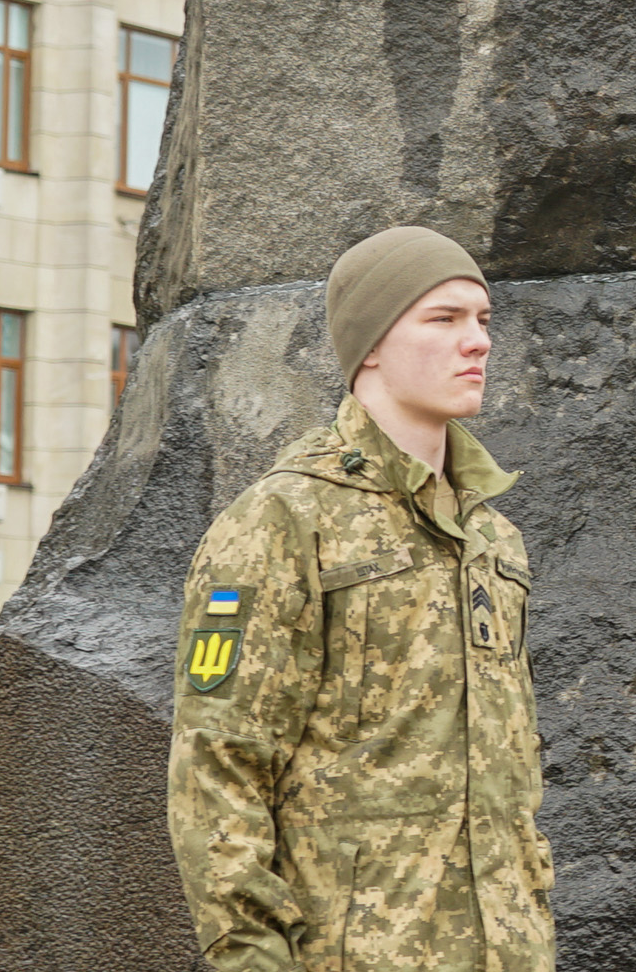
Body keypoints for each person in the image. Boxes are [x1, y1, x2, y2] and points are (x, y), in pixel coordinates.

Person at [167, 227, 553, 972]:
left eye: (483, 320)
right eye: (442, 319)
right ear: (371, 343)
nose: (476, 342)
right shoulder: (285, 519)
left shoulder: (492, 537)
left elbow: (512, 782)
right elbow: (218, 771)